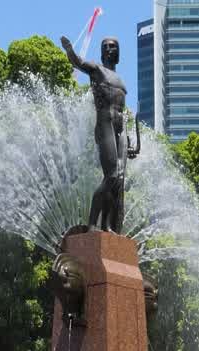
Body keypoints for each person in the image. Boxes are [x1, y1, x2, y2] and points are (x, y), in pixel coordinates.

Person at [60, 35, 132, 233]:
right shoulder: (97, 70)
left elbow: (124, 112)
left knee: (119, 180)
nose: (110, 49)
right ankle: (92, 223)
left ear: (119, 52)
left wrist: (129, 140)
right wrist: (69, 50)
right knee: (111, 176)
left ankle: (107, 225)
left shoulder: (121, 80)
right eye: (106, 46)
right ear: (101, 52)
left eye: (114, 46)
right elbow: (79, 62)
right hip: (105, 124)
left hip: (121, 127)